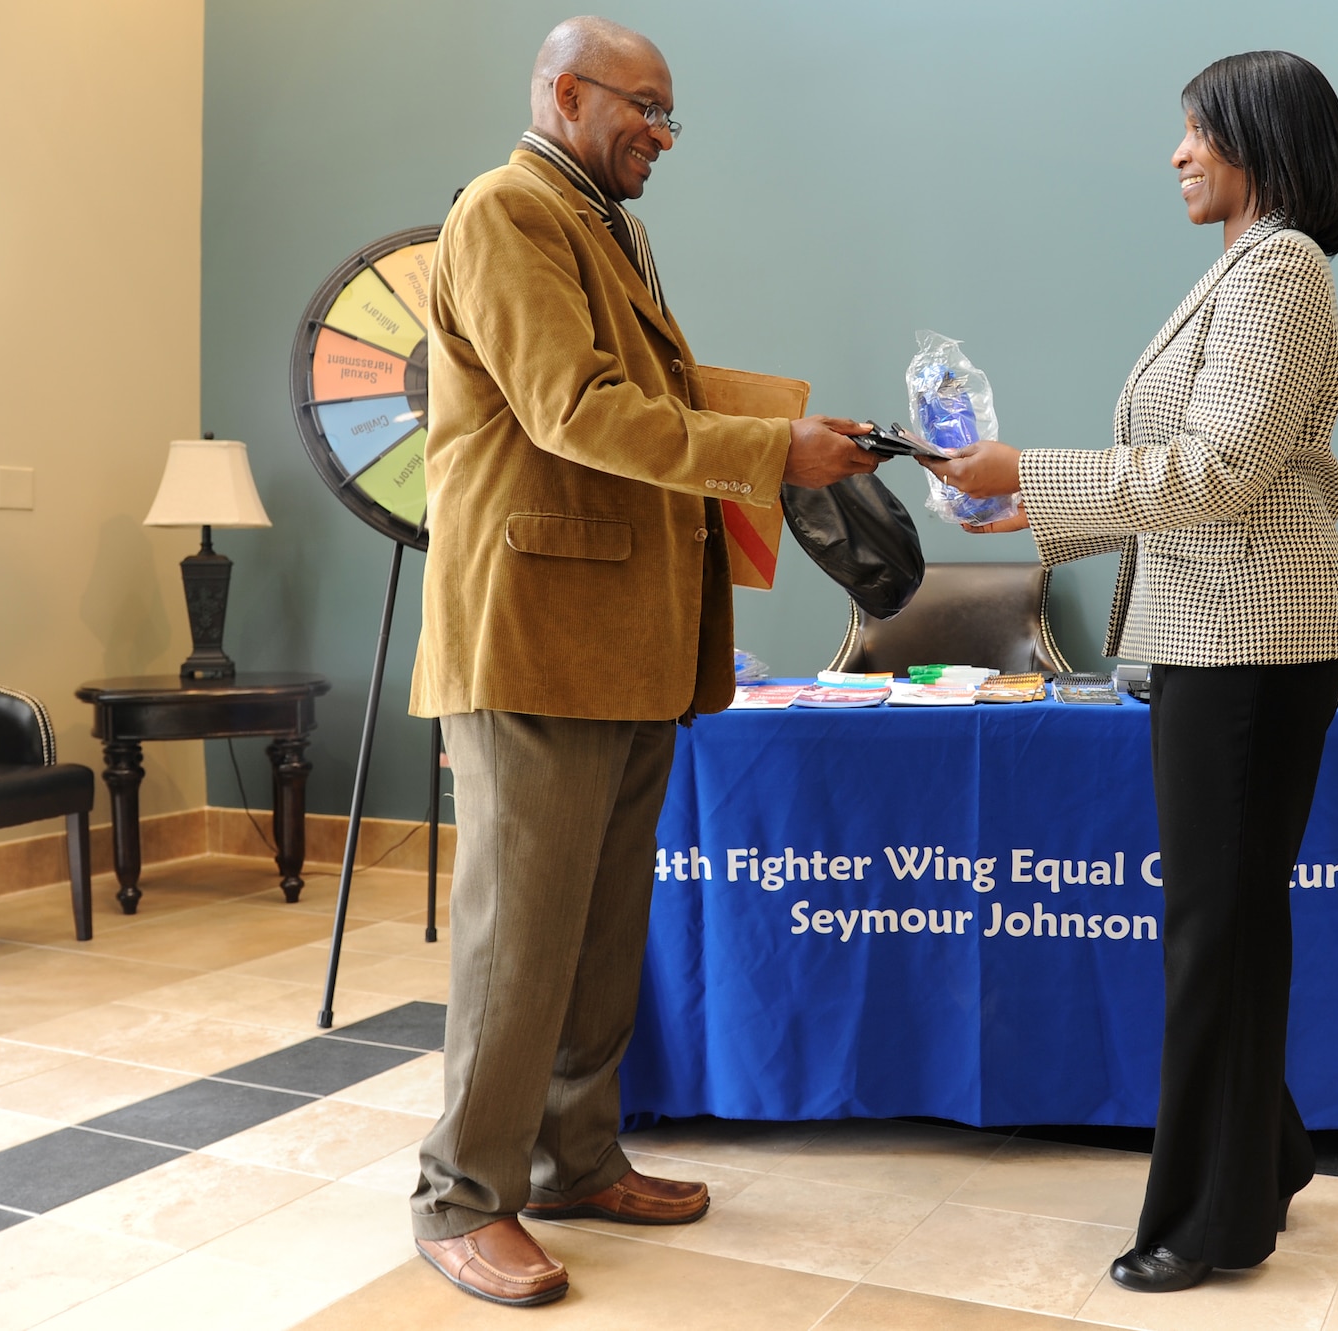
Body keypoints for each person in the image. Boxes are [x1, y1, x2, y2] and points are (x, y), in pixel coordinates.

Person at [406, 15, 878, 1309]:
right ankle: (461, 1191)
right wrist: (768, 453)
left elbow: (641, 382)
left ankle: (572, 1153)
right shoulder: (508, 213)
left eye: (670, 115)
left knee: (602, 925)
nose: (662, 135)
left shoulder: (601, 221)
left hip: (623, 637)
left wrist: (784, 423)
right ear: (563, 92)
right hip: (534, 635)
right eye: (644, 109)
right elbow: (571, 408)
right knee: (519, 932)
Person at [924, 50, 1338, 1293]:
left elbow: (1219, 469)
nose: (1175, 154)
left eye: (1194, 132)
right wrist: (1030, 512)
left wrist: (1033, 476)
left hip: (1252, 633)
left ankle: (1208, 1220)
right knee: (1223, 919)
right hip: (1213, 629)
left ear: (1258, 142)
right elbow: (1195, 468)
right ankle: (1261, 1150)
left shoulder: (1276, 268)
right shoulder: (1240, 267)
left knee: (1213, 926)